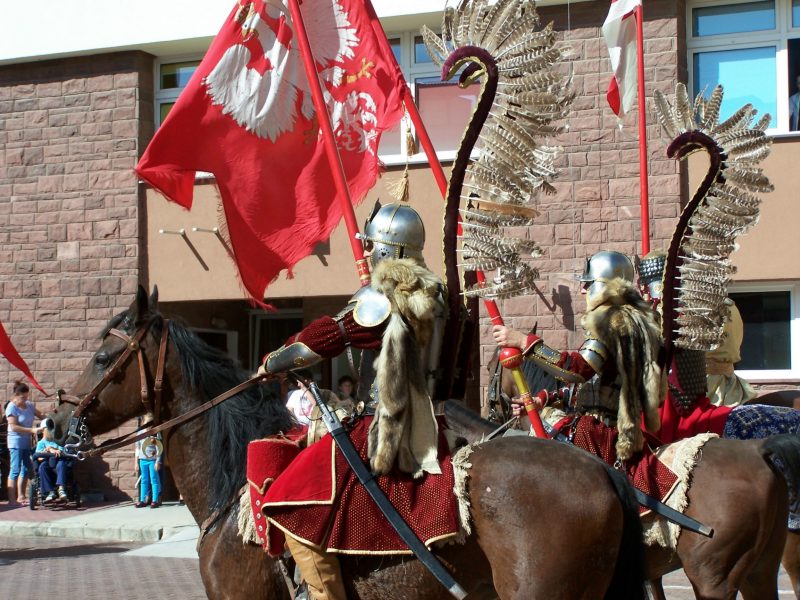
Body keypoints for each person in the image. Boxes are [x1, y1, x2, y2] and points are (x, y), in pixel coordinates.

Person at [257, 202, 446, 600]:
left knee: (288, 500)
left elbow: (321, 340)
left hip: (381, 426)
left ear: (388, 249)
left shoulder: (382, 298)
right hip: (434, 421)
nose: (366, 250)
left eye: (371, 244)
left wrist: (274, 361)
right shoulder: (437, 294)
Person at [492, 250, 663, 463]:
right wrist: (543, 399)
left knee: (541, 440)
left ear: (607, 285)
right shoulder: (627, 319)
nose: (582, 290)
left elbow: (577, 370)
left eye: (588, 284)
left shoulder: (612, 322)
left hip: (602, 434)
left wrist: (524, 342)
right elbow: (589, 386)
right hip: (603, 427)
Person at [5, 381, 43, 505]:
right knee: (15, 469)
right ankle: (12, 500)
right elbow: (14, 427)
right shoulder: (11, 407)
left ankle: (21, 496)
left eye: (27, 397)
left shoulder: (29, 405)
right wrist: (31, 430)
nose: (25, 400)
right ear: (16, 395)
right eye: (23, 397)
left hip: (26, 442)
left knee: (26, 468)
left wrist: (51, 419)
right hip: (15, 442)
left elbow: (41, 415)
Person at [33, 426, 71, 503]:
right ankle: (50, 492)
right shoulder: (41, 443)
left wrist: (56, 450)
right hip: (47, 462)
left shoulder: (58, 442)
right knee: (42, 467)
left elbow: (63, 451)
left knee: (61, 464)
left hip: (58, 460)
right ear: (43, 431)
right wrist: (47, 450)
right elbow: (38, 458)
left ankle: (61, 489)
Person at [135, 434, 163, 508]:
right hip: (142, 460)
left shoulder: (156, 432)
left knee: (154, 479)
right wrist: (136, 462)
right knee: (144, 480)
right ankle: (142, 500)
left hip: (152, 460)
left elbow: (159, 448)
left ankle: (155, 500)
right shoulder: (140, 432)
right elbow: (137, 448)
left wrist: (157, 462)